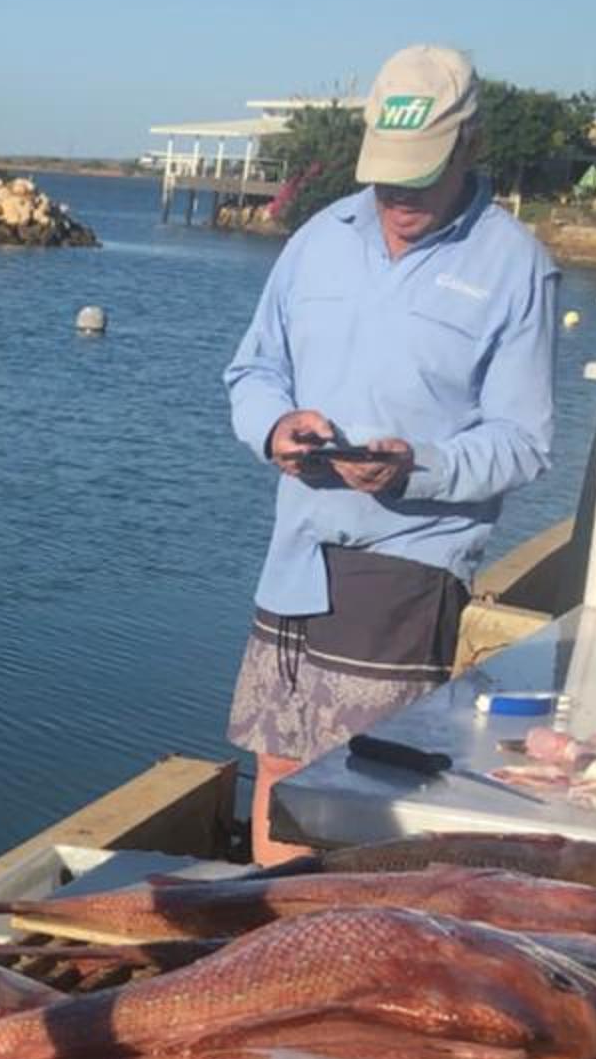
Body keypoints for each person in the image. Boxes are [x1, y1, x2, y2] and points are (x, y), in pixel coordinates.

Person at [222, 44, 559, 863]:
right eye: (386, 176)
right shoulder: (319, 237)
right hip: (294, 553)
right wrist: (274, 426)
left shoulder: (517, 267)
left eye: (420, 175)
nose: (399, 196)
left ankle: (350, 930)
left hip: (407, 563)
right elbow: (253, 368)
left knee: (360, 794)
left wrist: (418, 466)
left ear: (471, 143)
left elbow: (524, 443)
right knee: (279, 767)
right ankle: (276, 926)